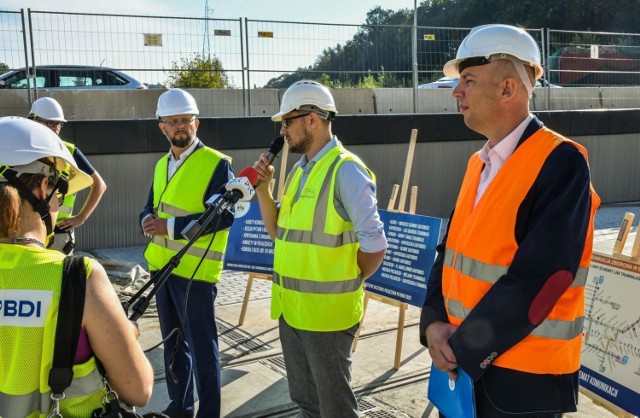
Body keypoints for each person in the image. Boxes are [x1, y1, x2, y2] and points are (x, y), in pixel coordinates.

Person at [419, 24, 600, 417]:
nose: (456, 92)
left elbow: (543, 277)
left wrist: (462, 348)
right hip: (464, 370)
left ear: (507, 89)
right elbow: (448, 250)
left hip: (522, 386)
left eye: (467, 80)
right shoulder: (477, 164)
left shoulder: (561, 161)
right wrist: (433, 321)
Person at [0, 116, 153, 416]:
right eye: (62, 192)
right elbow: (139, 389)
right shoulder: (76, 276)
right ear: (44, 187)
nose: (59, 204)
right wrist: (124, 335)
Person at [253, 80, 387, 417]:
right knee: (307, 402)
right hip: (292, 311)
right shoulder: (300, 171)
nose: (283, 131)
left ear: (312, 119)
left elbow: (375, 246)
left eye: (288, 122)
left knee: (335, 408)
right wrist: (263, 190)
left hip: (327, 318)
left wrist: (349, 278)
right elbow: (278, 234)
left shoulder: (347, 171)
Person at [140, 88, 234, 418]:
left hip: (195, 275)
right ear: (161, 126)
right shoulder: (162, 164)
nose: (180, 126)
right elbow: (150, 207)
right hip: (163, 270)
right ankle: (179, 407)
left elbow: (223, 216)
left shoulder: (217, 164)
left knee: (204, 351)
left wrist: (167, 228)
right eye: (173, 121)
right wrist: (146, 221)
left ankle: (208, 413)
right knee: (173, 346)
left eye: (185, 120)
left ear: (197, 123)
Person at [29, 97, 107, 254]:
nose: (55, 128)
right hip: (28, 233)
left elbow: (99, 185)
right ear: (34, 121)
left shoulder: (70, 152)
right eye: (50, 122)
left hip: (59, 235)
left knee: (61, 279)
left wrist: (81, 217)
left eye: (58, 124)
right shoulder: (24, 150)